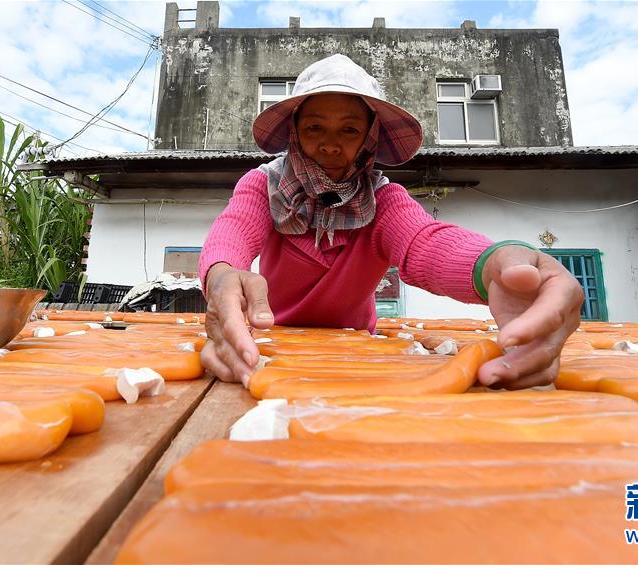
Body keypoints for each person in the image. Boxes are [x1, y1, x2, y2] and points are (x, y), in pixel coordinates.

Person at [199, 54, 583, 390]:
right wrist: (220, 276)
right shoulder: (263, 185)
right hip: (269, 345)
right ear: (295, 132)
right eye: (315, 127)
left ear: (369, 138)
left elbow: (425, 243)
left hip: (356, 353)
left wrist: (494, 264)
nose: (330, 144)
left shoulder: (383, 200)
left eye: (349, 129)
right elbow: (233, 230)